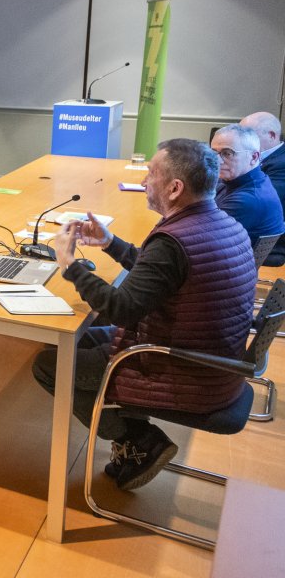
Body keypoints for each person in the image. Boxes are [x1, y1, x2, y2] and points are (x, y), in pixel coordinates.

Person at [33, 139, 256, 491]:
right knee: (78, 339)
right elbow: (160, 277)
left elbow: (120, 307)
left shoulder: (173, 241)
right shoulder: (220, 223)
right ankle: (133, 434)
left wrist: (69, 264)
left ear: (175, 187)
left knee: (49, 364)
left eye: (151, 173)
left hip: (184, 372)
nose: (145, 180)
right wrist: (110, 243)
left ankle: (138, 440)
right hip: (215, 365)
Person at [210, 124, 284, 246]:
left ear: (254, 157)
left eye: (227, 153)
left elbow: (199, 237)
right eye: (214, 153)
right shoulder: (236, 180)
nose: (218, 160)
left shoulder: (248, 199)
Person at [241, 111, 285, 266]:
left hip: (266, 243)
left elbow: (259, 201)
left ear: (272, 135)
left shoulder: (282, 163)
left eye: (248, 135)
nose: (242, 140)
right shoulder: (253, 157)